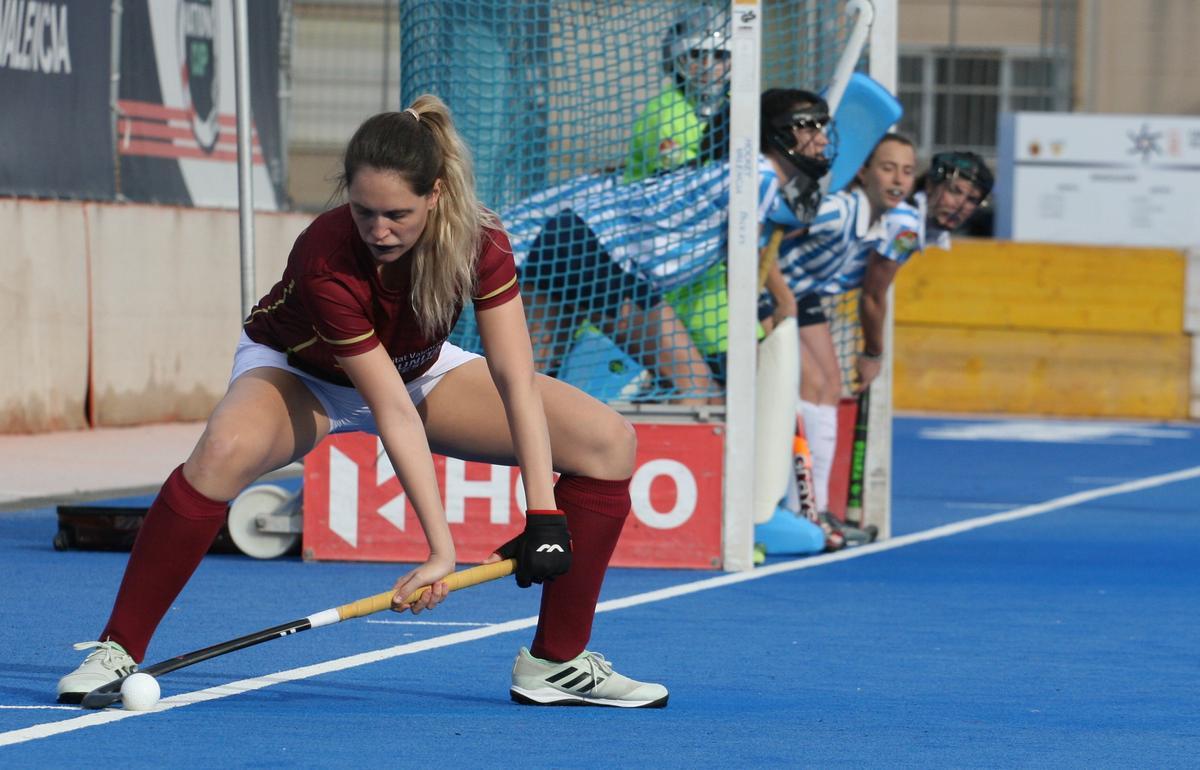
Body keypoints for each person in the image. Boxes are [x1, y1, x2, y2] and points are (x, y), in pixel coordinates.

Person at [57, 95, 668, 709]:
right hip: (304, 377)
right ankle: (118, 646)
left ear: (435, 195)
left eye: (398, 214)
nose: (379, 231)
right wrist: (440, 551)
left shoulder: (479, 239)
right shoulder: (326, 255)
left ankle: (555, 663)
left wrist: (545, 516)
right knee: (222, 451)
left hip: (422, 372)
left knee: (607, 442)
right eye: (364, 211)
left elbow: (516, 379)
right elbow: (390, 412)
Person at [507, 89, 832, 403]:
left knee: (529, 381)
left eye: (823, 128)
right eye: (809, 127)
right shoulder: (758, 177)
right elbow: (741, 273)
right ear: (778, 133)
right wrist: (775, 315)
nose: (823, 139)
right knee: (697, 390)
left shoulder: (739, 171)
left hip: (564, 236)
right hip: (601, 256)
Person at [780, 146, 993, 518]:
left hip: (805, 293)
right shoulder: (907, 226)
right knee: (815, 387)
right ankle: (802, 507)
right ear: (932, 183)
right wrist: (873, 354)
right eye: (955, 191)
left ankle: (815, 508)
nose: (960, 206)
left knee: (828, 386)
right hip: (783, 286)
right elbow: (874, 294)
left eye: (971, 200)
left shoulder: (911, 224)